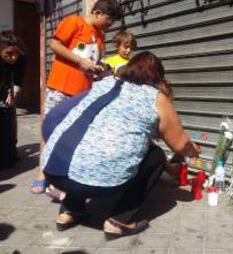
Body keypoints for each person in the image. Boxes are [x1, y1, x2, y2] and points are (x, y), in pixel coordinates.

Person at [40, 51, 200, 240]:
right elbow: (180, 145)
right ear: (158, 77)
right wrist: (194, 151)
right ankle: (118, 221)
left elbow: (53, 118)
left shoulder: (102, 85)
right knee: (156, 156)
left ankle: (69, 212)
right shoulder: (155, 97)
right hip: (94, 182)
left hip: (52, 172)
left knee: (82, 152)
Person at [30, 0, 123, 194]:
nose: (109, 25)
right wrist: (80, 62)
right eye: (108, 20)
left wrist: (101, 70)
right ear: (97, 12)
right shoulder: (74, 22)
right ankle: (41, 173)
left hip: (82, 93)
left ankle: (59, 176)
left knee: (69, 134)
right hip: (60, 87)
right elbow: (55, 45)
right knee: (50, 129)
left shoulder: (100, 36)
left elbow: (91, 60)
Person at [0, 31, 25, 169]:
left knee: (8, 115)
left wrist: (13, 92)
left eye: (16, 53)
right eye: (8, 54)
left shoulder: (21, 57)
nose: (13, 58)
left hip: (5, 86)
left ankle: (10, 154)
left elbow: (19, 77)